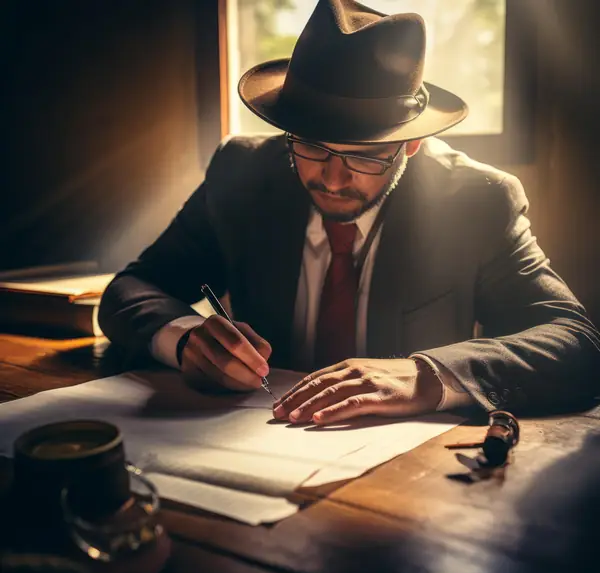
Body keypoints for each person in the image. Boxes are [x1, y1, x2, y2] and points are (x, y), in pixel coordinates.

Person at [99, 0, 600, 426]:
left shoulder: (477, 201)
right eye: (312, 148)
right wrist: (185, 340)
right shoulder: (242, 172)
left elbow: (577, 345)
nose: (333, 180)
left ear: (411, 145)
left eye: (364, 156)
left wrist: (428, 375)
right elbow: (131, 289)